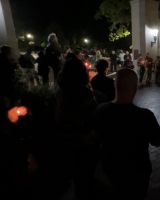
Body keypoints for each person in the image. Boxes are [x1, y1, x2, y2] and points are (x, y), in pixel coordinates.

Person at [92, 69, 160, 200]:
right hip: (137, 175)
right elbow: (157, 141)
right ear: (135, 88)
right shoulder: (145, 116)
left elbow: (94, 140)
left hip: (109, 173)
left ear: (115, 86)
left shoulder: (100, 111)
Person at [56, 56, 97, 200]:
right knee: (85, 179)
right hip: (83, 142)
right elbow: (91, 119)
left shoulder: (61, 93)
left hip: (66, 141)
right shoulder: (85, 93)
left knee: (75, 178)